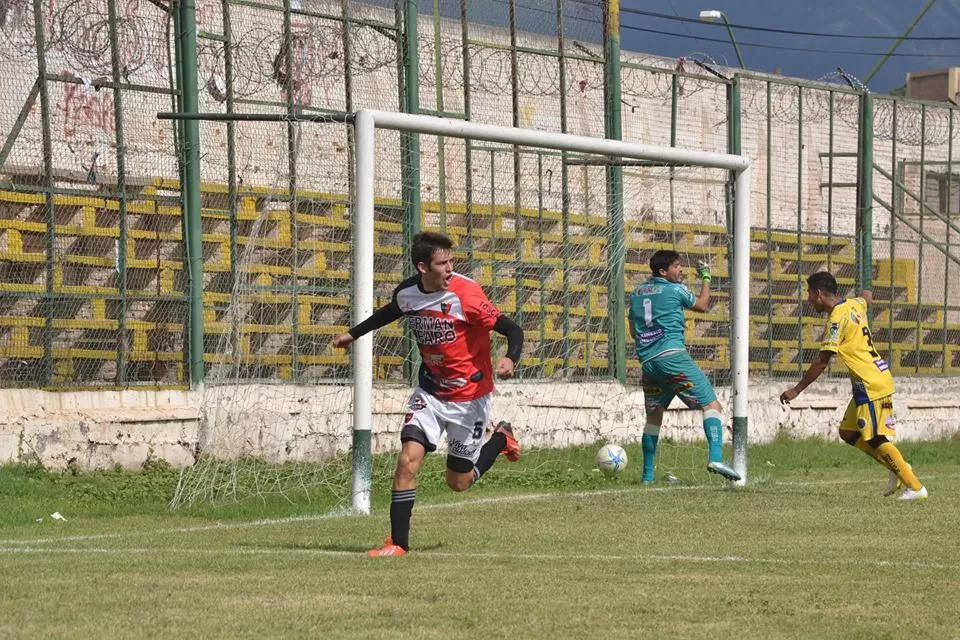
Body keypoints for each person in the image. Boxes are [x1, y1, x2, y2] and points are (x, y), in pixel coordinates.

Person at [332, 231, 525, 556]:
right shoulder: (408, 293)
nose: (450, 268)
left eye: (452, 261)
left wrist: (509, 357)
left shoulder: (467, 294)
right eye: (442, 263)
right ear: (423, 267)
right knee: (407, 460)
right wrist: (353, 334)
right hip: (431, 393)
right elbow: (390, 311)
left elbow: (512, 329)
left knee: (458, 482)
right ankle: (399, 544)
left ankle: (501, 438)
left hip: (470, 398)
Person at [779, 271, 927, 500]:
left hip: (870, 382)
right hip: (869, 380)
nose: (808, 299)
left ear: (819, 293)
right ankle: (897, 466)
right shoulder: (855, 304)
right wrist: (866, 280)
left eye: (809, 293)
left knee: (875, 438)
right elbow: (866, 296)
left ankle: (915, 487)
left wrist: (796, 390)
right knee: (848, 432)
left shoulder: (837, 319)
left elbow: (822, 361)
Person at [628, 249, 740, 484]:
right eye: (676, 266)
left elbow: (632, 331)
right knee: (712, 404)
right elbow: (702, 305)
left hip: (648, 363)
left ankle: (647, 477)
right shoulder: (675, 289)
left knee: (654, 416)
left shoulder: (637, 293)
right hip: (672, 358)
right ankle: (716, 459)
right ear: (663, 271)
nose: (681, 270)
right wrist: (706, 278)